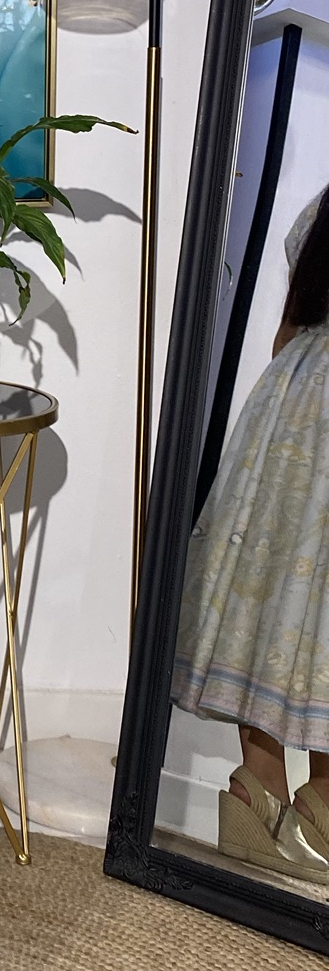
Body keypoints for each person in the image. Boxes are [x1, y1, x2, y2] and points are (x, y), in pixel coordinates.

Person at [173, 186, 329, 886]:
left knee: (276, 591)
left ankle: (258, 792)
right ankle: (321, 807)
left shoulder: (322, 208)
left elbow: (288, 331)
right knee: (315, 607)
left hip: (291, 397)